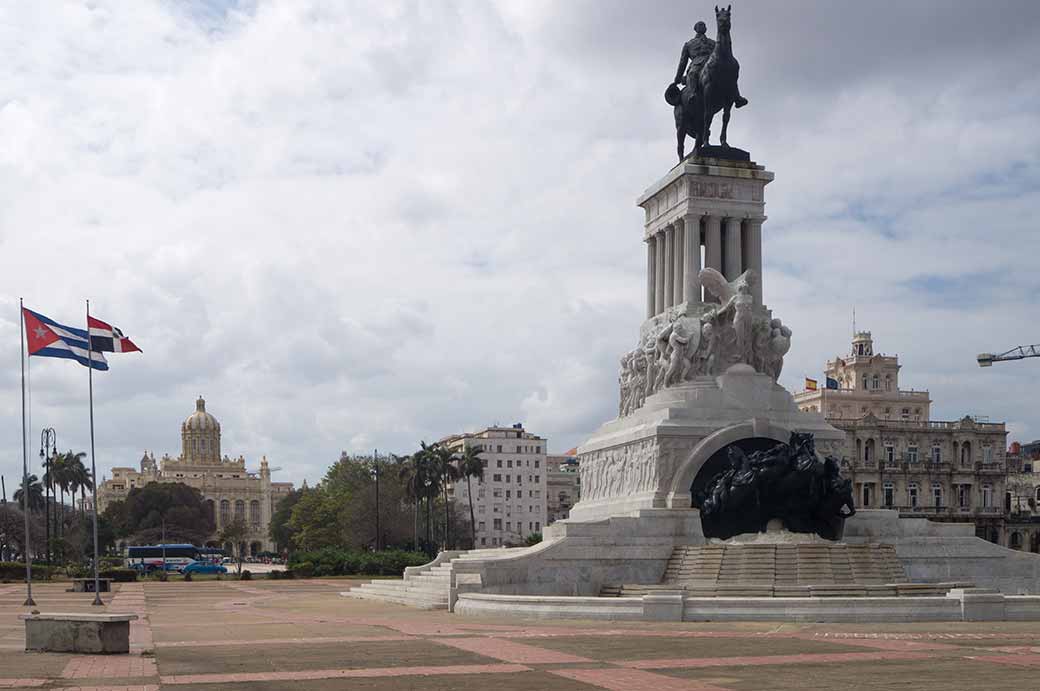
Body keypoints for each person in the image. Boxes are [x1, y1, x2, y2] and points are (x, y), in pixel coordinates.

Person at [673, 21, 715, 98]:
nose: (702, 26)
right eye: (700, 25)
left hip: (711, 61)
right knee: (693, 73)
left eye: (704, 25)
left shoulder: (713, 42)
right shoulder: (689, 44)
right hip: (697, 63)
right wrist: (678, 78)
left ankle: (736, 96)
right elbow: (683, 62)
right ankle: (693, 93)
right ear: (695, 29)